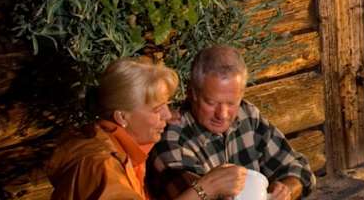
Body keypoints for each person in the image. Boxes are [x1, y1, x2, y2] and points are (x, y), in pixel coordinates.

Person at [47, 57, 248, 200]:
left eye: (167, 105)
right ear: (122, 117)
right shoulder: (99, 165)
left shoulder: (126, 152)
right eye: (157, 109)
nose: (168, 116)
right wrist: (206, 188)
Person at [148, 46, 315, 200]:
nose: (222, 114)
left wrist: (287, 190)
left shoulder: (247, 115)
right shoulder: (172, 138)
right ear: (192, 93)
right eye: (211, 103)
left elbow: (299, 167)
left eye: (231, 103)